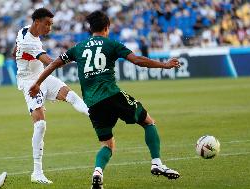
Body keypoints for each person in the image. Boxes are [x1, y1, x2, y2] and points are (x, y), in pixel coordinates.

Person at [29, 10, 180, 189]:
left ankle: (98, 172)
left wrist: (37, 83)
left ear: (90, 28)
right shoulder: (111, 44)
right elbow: (138, 60)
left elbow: (53, 63)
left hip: (92, 103)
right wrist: (164, 64)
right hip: (112, 95)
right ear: (107, 27)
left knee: (107, 145)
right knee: (148, 122)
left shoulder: (78, 47)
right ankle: (157, 163)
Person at [13, 8, 89, 184]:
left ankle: (93, 114)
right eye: (47, 24)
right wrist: (74, 57)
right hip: (31, 82)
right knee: (40, 125)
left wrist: (16, 57)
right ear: (37, 22)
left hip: (42, 76)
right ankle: (37, 172)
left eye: (51, 24)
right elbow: (52, 63)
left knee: (72, 96)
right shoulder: (29, 42)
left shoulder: (24, 29)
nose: (49, 28)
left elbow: (16, 47)